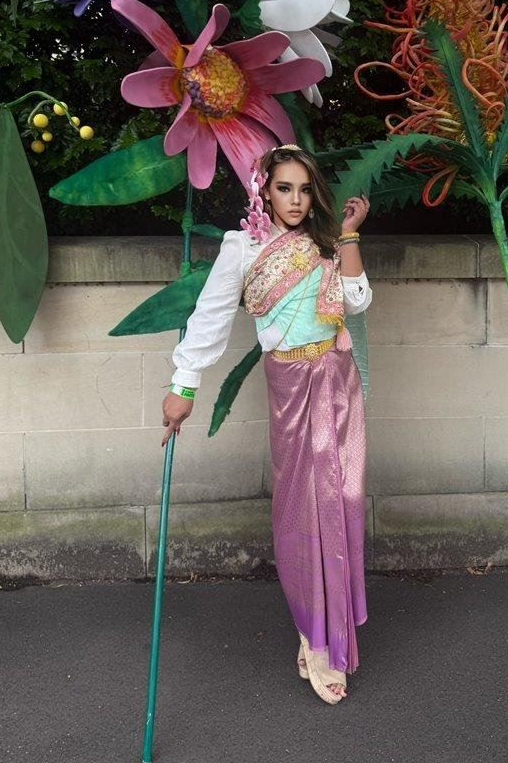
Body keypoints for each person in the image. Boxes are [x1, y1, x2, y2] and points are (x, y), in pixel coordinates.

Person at [160, 143, 372, 704]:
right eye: (284, 189)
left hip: (339, 380)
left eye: (304, 189)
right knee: (303, 508)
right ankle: (314, 631)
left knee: (343, 499)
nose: (295, 200)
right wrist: (184, 385)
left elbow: (356, 300)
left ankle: (325, 636)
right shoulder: (243, 247)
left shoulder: (323, 241)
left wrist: (349, 234)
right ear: (264, 191)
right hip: (291, 386)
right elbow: (209, 317)